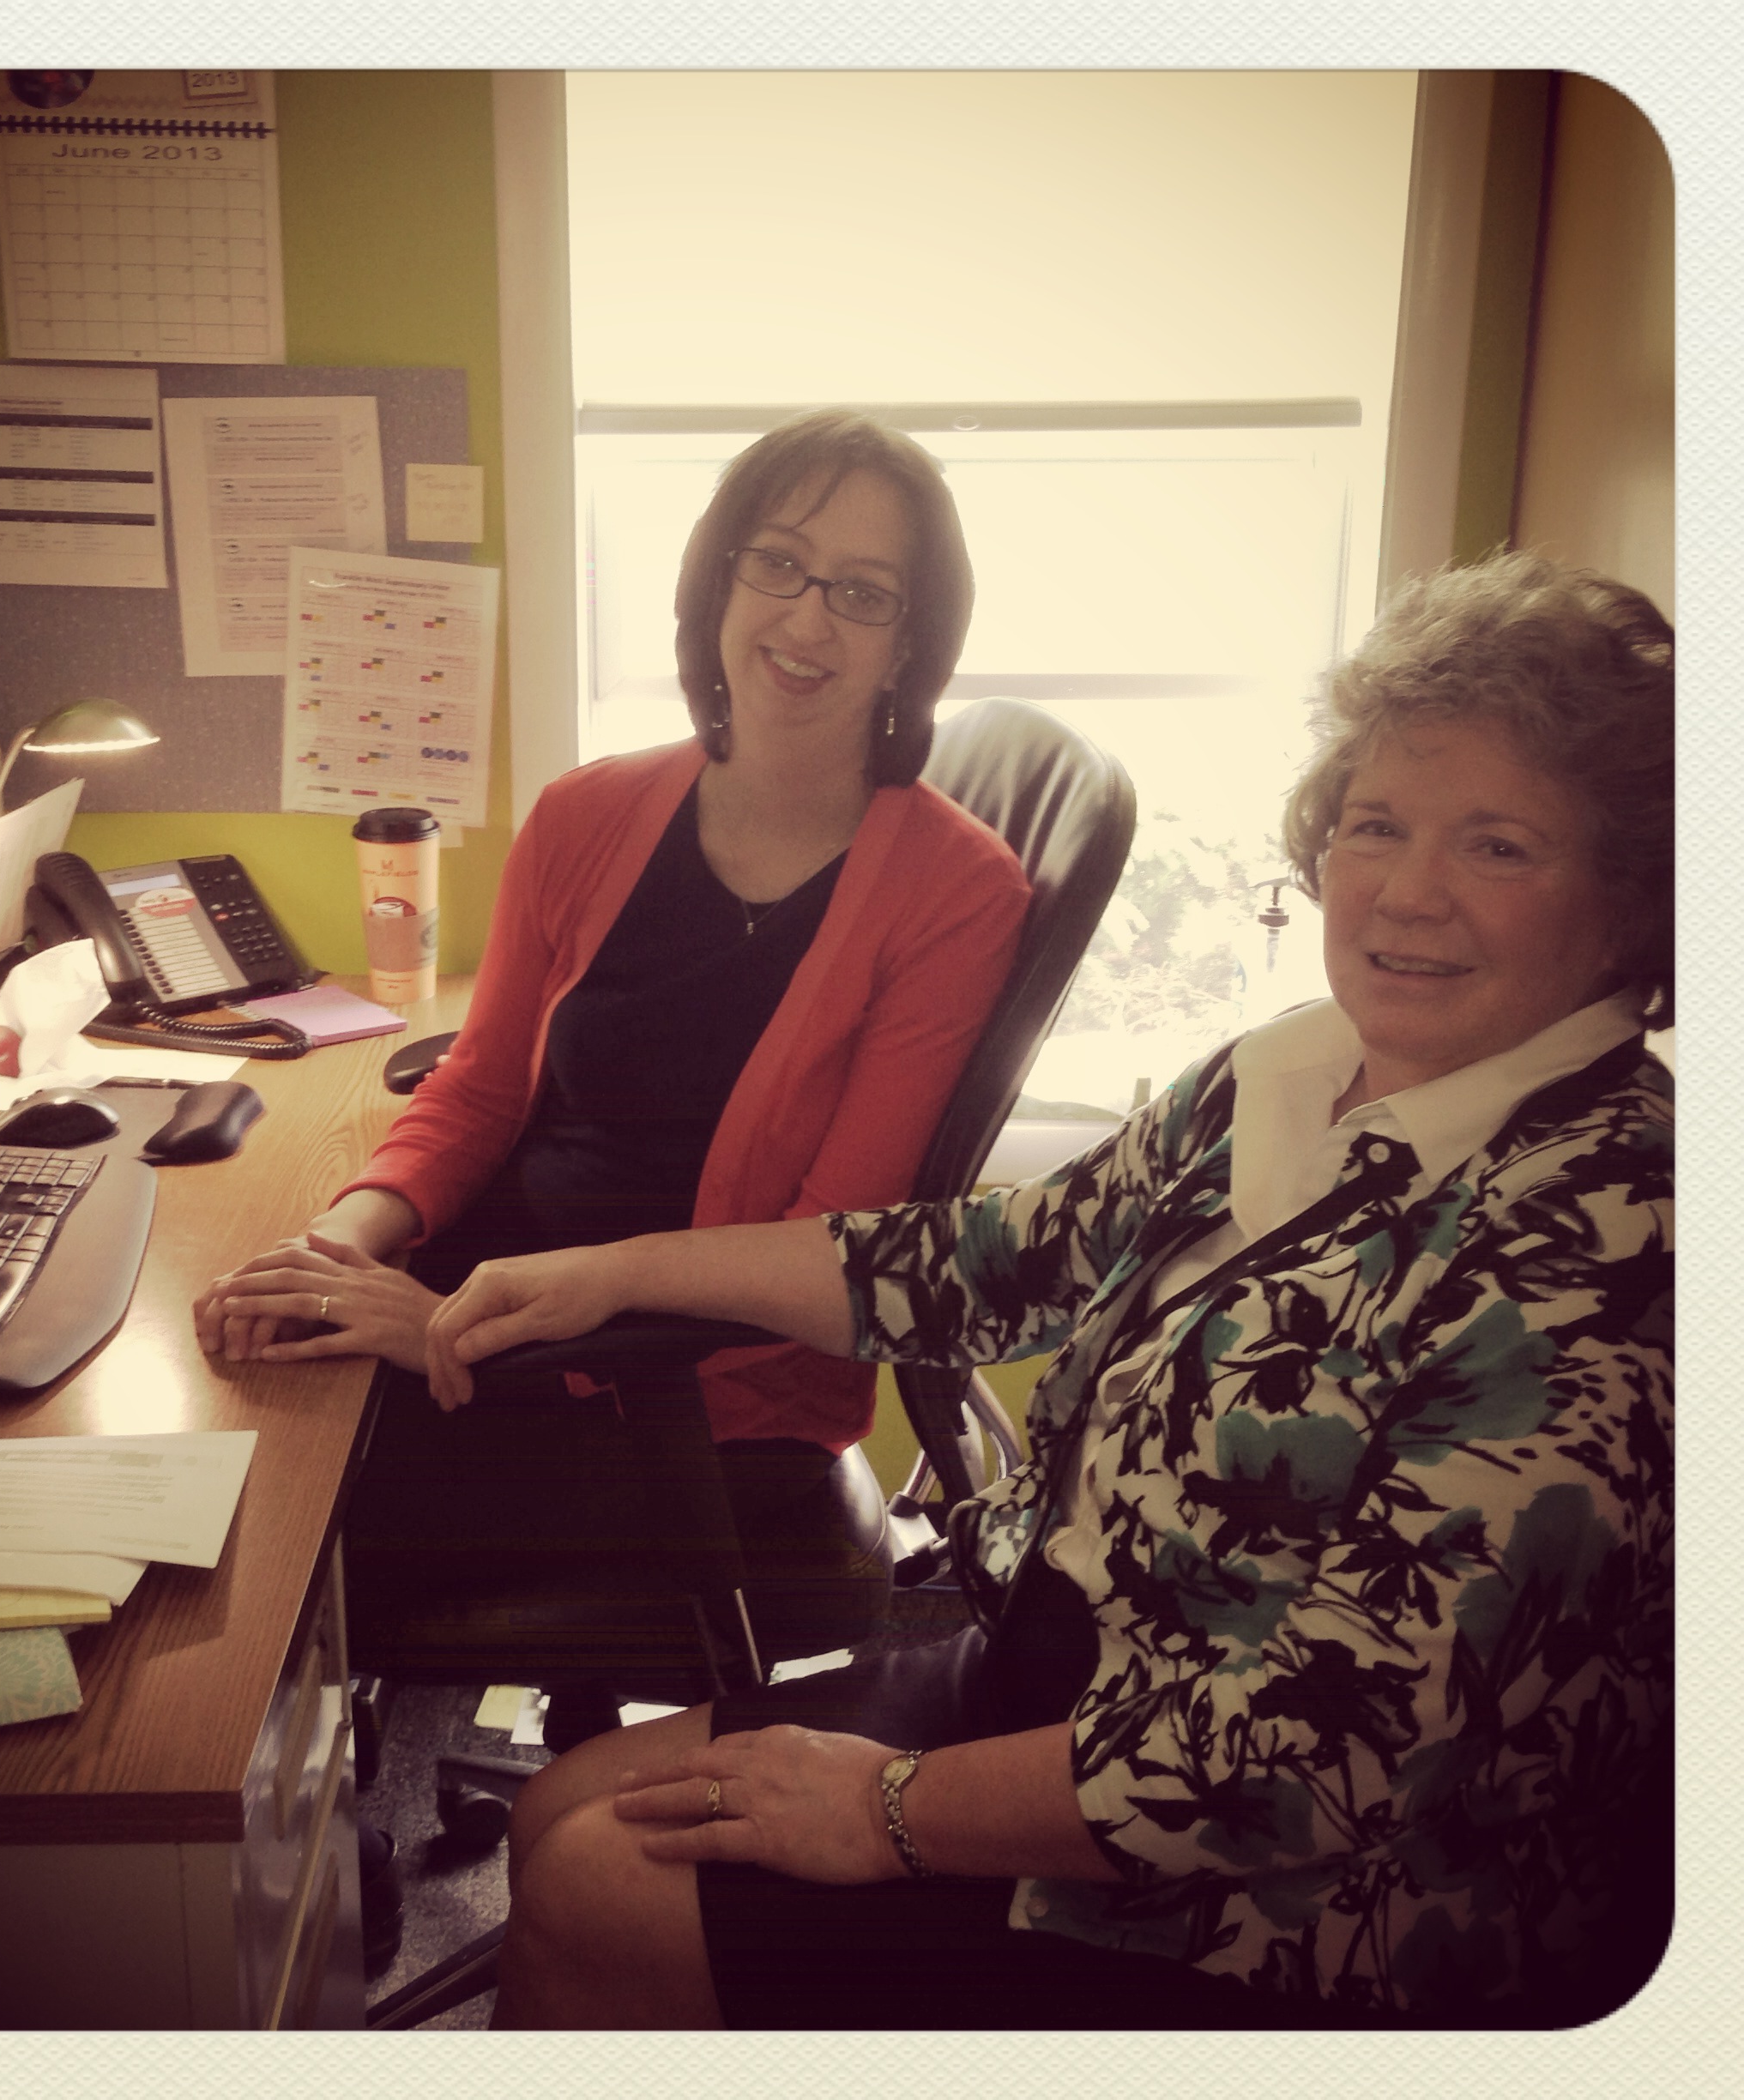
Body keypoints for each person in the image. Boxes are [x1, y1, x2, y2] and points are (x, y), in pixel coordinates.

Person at [422, 548, 1676, 2029]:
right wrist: (616, 1271)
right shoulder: (1291, 1068)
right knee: (561, 1805)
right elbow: (989, 1264)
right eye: (1376, 824)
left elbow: (1324, 1755)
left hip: (1313, 1886)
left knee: (601, 1883)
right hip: (1062, 1670)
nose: (1405, 893)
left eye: (1500, 848)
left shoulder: (1606, 1242)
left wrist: (885, 1811)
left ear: (1629, 901)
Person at [193, 412, 1031, 1683]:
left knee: (257, 1556)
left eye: (864, 592)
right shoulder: (588, 813)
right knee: (228, 1400)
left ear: (911, 641)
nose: (808, 621)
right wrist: (345, 1242)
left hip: (685, 1397)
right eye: (780, 563)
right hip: (489, 1308)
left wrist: (469, 1334)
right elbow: (481, 1087)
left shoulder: (957, 892)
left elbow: (831, 1253)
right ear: (718, 577)